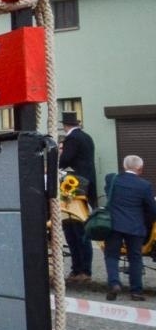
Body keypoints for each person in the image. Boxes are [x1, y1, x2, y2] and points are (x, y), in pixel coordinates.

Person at [103, 155, 156, 301]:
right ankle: (136, 291)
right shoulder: (145, 185)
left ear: (124, 166)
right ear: (140, 169)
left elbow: (108, 194)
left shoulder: (112, 179)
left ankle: (114, 283)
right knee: (135, 258)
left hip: (114, 224)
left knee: (112, 255)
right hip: (135, 226)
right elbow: (152, 209)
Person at [58, 112, 97, 283]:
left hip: (75, 189)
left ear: (65, 125)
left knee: (75, 230)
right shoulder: (86, 137)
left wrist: (52, 162)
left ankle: (81, 269)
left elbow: (65, 160)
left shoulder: (72, 139)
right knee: (76, 230)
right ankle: (80, 269)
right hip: (85, 187)